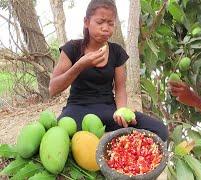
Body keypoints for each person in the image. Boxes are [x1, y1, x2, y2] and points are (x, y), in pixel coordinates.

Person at [49, 0, 168, 141]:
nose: (106, 28)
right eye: (100, 22)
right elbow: (53, 89)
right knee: (59, 138)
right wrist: (79, 65)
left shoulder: (116, 52)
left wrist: (121, 111)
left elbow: (120, 88)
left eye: (110, 23)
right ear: (86, 22)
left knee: (160, 130)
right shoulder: (72, 48)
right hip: (77, 109)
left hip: (108, 110)